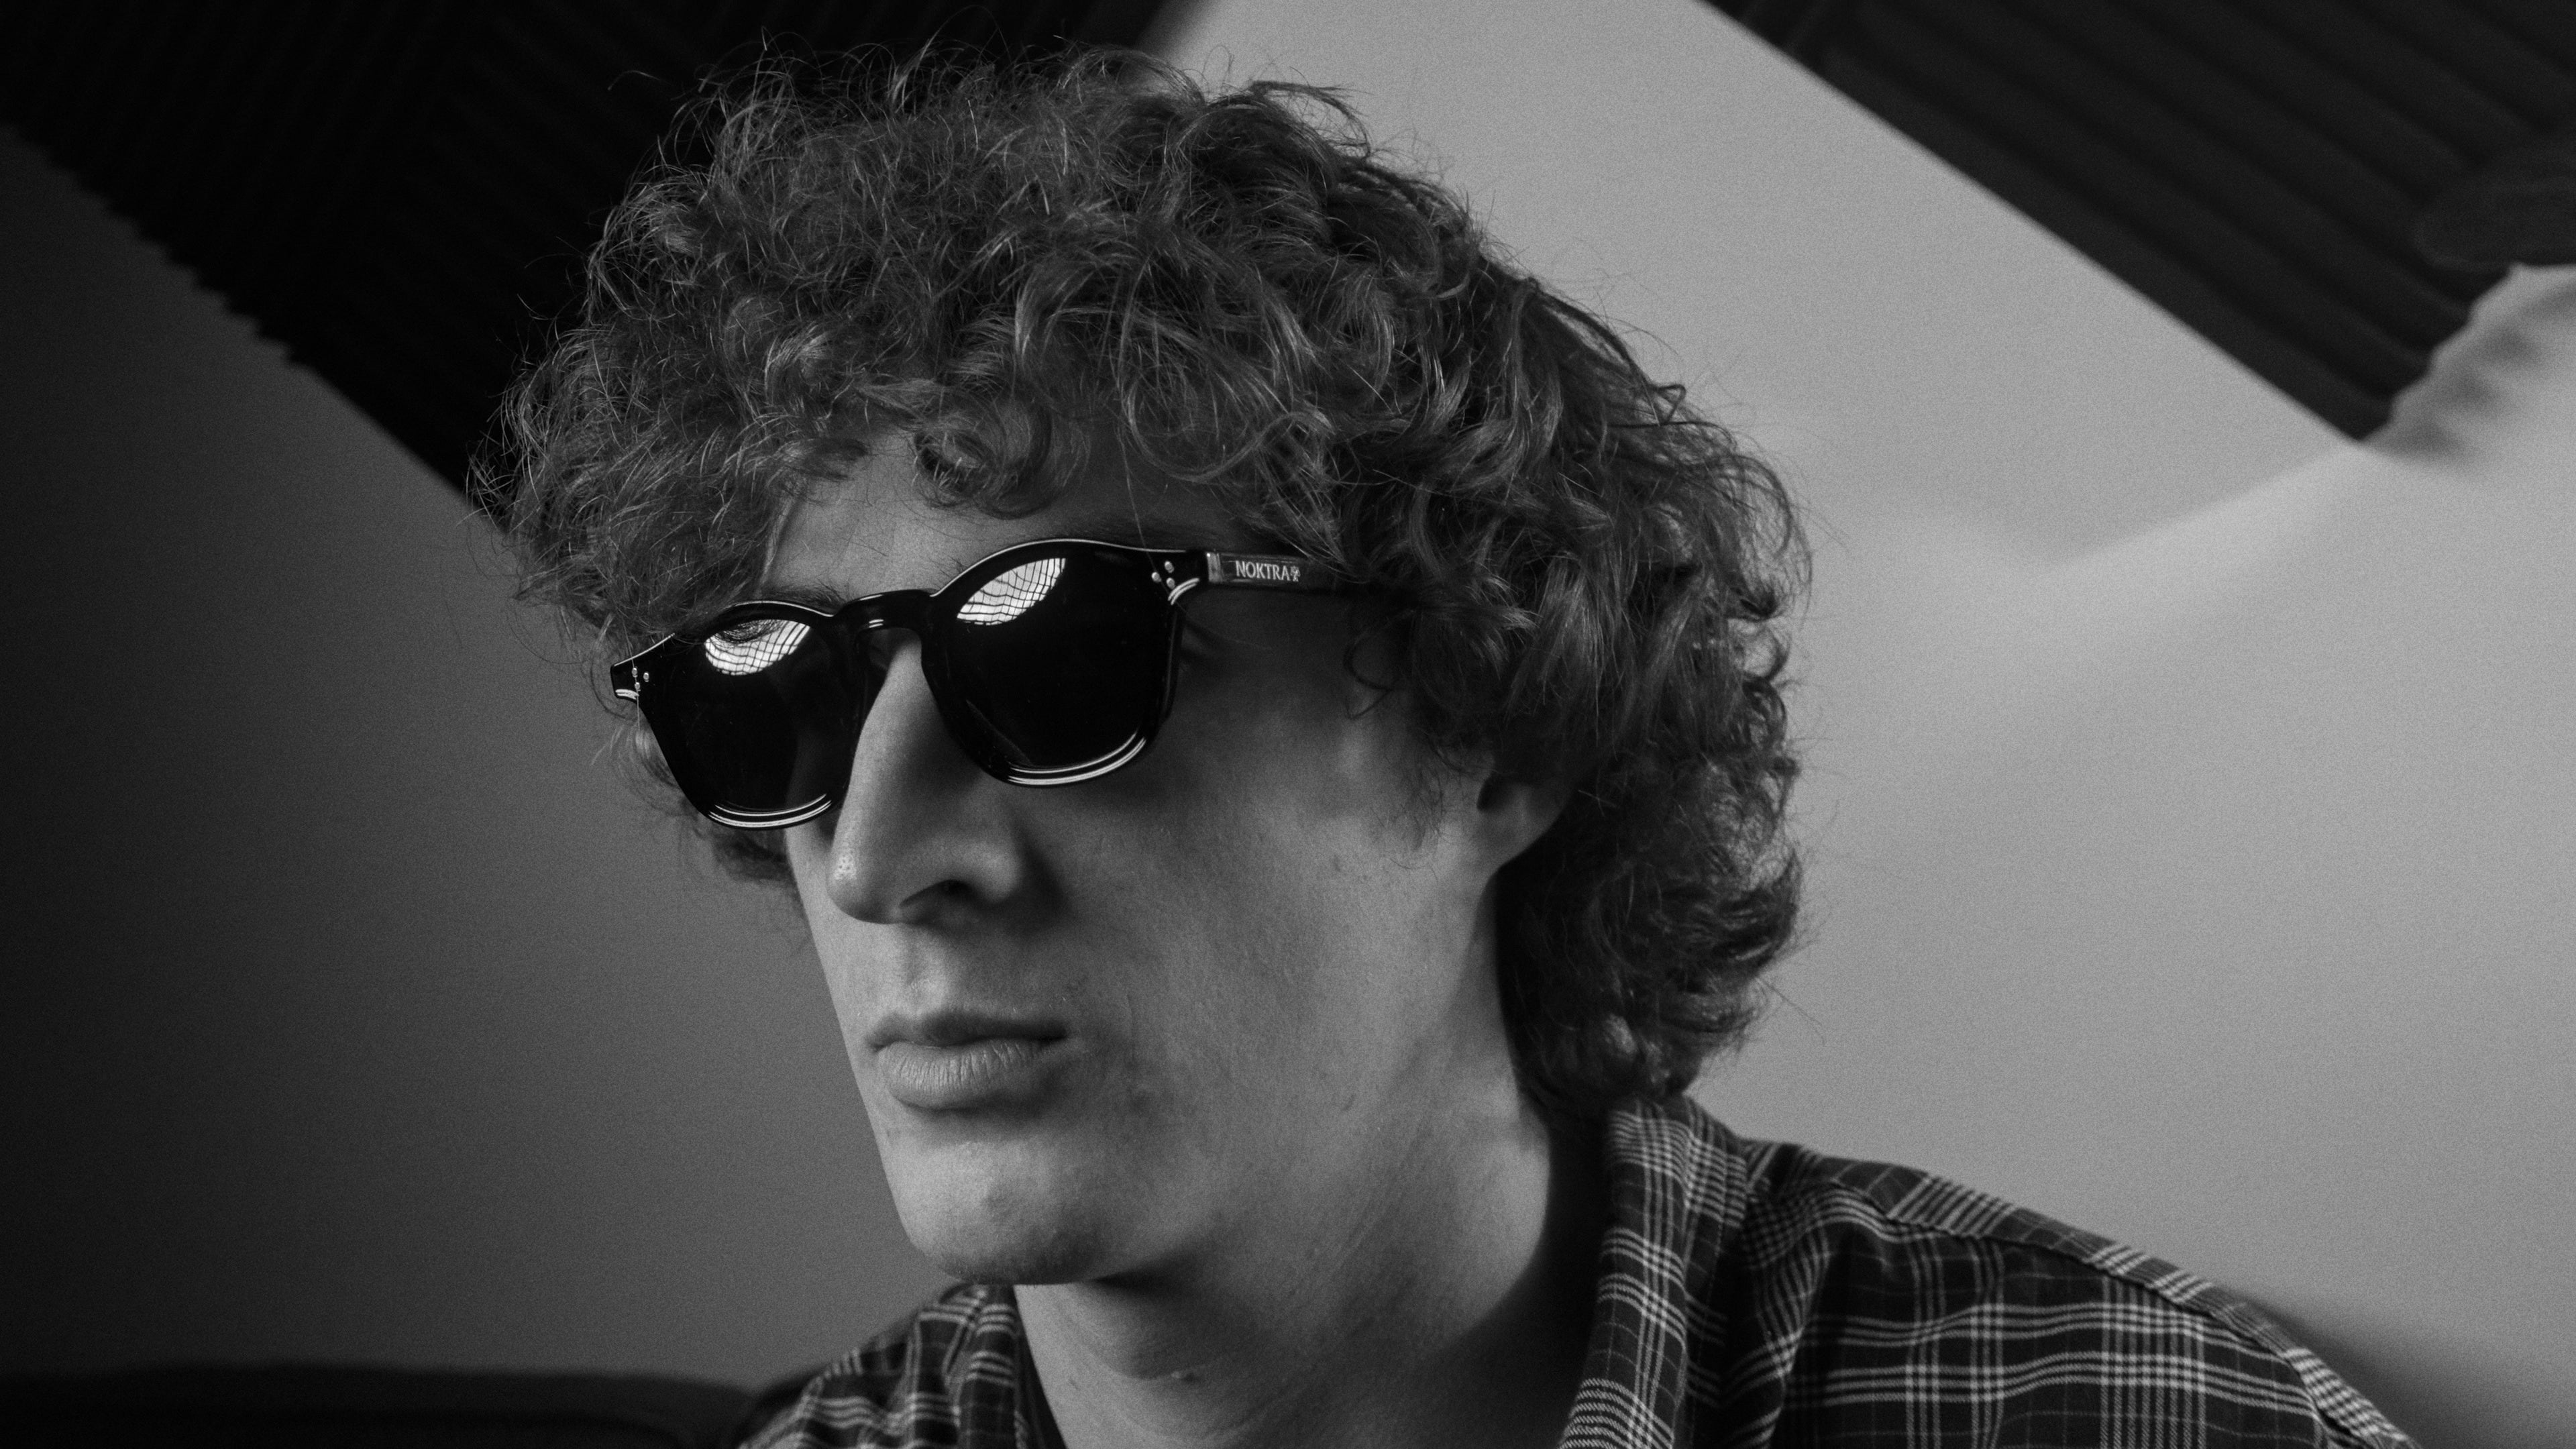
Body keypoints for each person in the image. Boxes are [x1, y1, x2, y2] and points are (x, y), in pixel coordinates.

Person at [491, 51, 2412, 1449]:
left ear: (1492, 723)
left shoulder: (2142, 1420)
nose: (875, 855)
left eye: (1062, 654)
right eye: (781, 696)